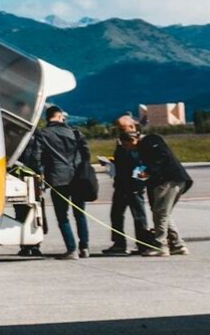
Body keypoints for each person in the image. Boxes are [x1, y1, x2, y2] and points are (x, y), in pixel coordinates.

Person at [20, 106, 92, 259]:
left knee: (62, 216)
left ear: (48, 118)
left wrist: (40, 175)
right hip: (78, 178)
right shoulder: (75, 132)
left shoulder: (43, 134)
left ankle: (71, 249)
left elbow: (36, 157)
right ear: (60, 117)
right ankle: (84, 247)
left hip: (57, 179)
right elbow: (86, 154)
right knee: (80, 214)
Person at [138, 121, 196, 256]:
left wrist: (147, 171)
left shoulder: (151, 140)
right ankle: (177, 244)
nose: (127, 148)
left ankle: (160, 244)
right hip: (172, 181)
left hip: (170, 180)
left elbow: (160, 159)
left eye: (127, 144)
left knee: (161, 213)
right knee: (164, 212)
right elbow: (144, 168)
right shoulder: (141, 150)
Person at [102, 115, 153, 255]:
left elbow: (144, 164)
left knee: (138, 215)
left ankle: (142, 243)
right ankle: (119, 243)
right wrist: (111, 162)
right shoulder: (121, 142)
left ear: (132, 126)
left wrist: (139, 183)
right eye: (119, 128)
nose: (120, 131)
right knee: (116, 214)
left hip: (134, 184)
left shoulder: (140, 142)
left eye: (122, 128)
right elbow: (121, 160)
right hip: (121, 183)